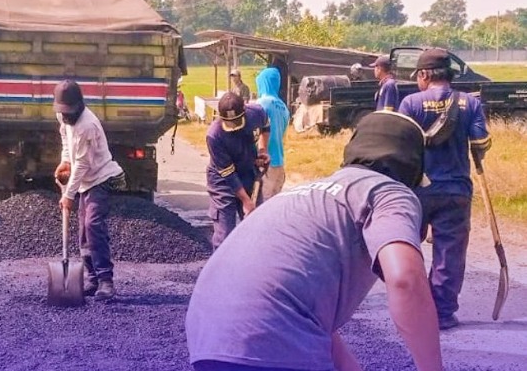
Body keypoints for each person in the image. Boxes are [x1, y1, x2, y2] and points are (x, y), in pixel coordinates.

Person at [186, 111, 443, 371]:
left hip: (208, 341)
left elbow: (303, 318)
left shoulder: (309, 196)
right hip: (271, 341)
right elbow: (405, 280)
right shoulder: (386, 190)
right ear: (411, 175)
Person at [398, 47, 491, 330]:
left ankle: (412, 312)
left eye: (418, 75)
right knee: (449, 254)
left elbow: (402, 147)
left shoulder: (411, 104)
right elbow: (481, 144)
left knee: (407, 249)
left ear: (425, 74)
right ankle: (442, 313)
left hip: (416, 190)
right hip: (456, 190)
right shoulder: (470, 104)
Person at [53, 79, 126, 301]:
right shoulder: (63, 116)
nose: (66, 116)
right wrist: (65, 161)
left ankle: (106, 282)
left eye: (69, 111)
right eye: (63, 111)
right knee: (84, 231)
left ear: (79, 105)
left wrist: (68, 195)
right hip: (85, 180)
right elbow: (66, 141)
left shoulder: (87, 125)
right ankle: (92, 279)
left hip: (103, 177)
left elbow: (83, 164)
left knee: (93, 224)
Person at [205, 92, 269, 250]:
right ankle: (220, 271)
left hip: (248, 172)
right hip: (223, 182)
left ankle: (250, 270)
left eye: (236, 121)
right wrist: (246, 201)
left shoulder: (256, 113)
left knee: (256, 229)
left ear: (244, 112)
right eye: (229, 122)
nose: (233, 125)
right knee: (225, 234)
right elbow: (228, 174)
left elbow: (266, 126)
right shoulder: (214, 136)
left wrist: (262, 150)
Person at [255, 67, 290, 201]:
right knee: (273, 204)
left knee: (260, 205)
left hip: (264, 162)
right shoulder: (284, 107)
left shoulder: (261, 104)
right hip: (279, 161)